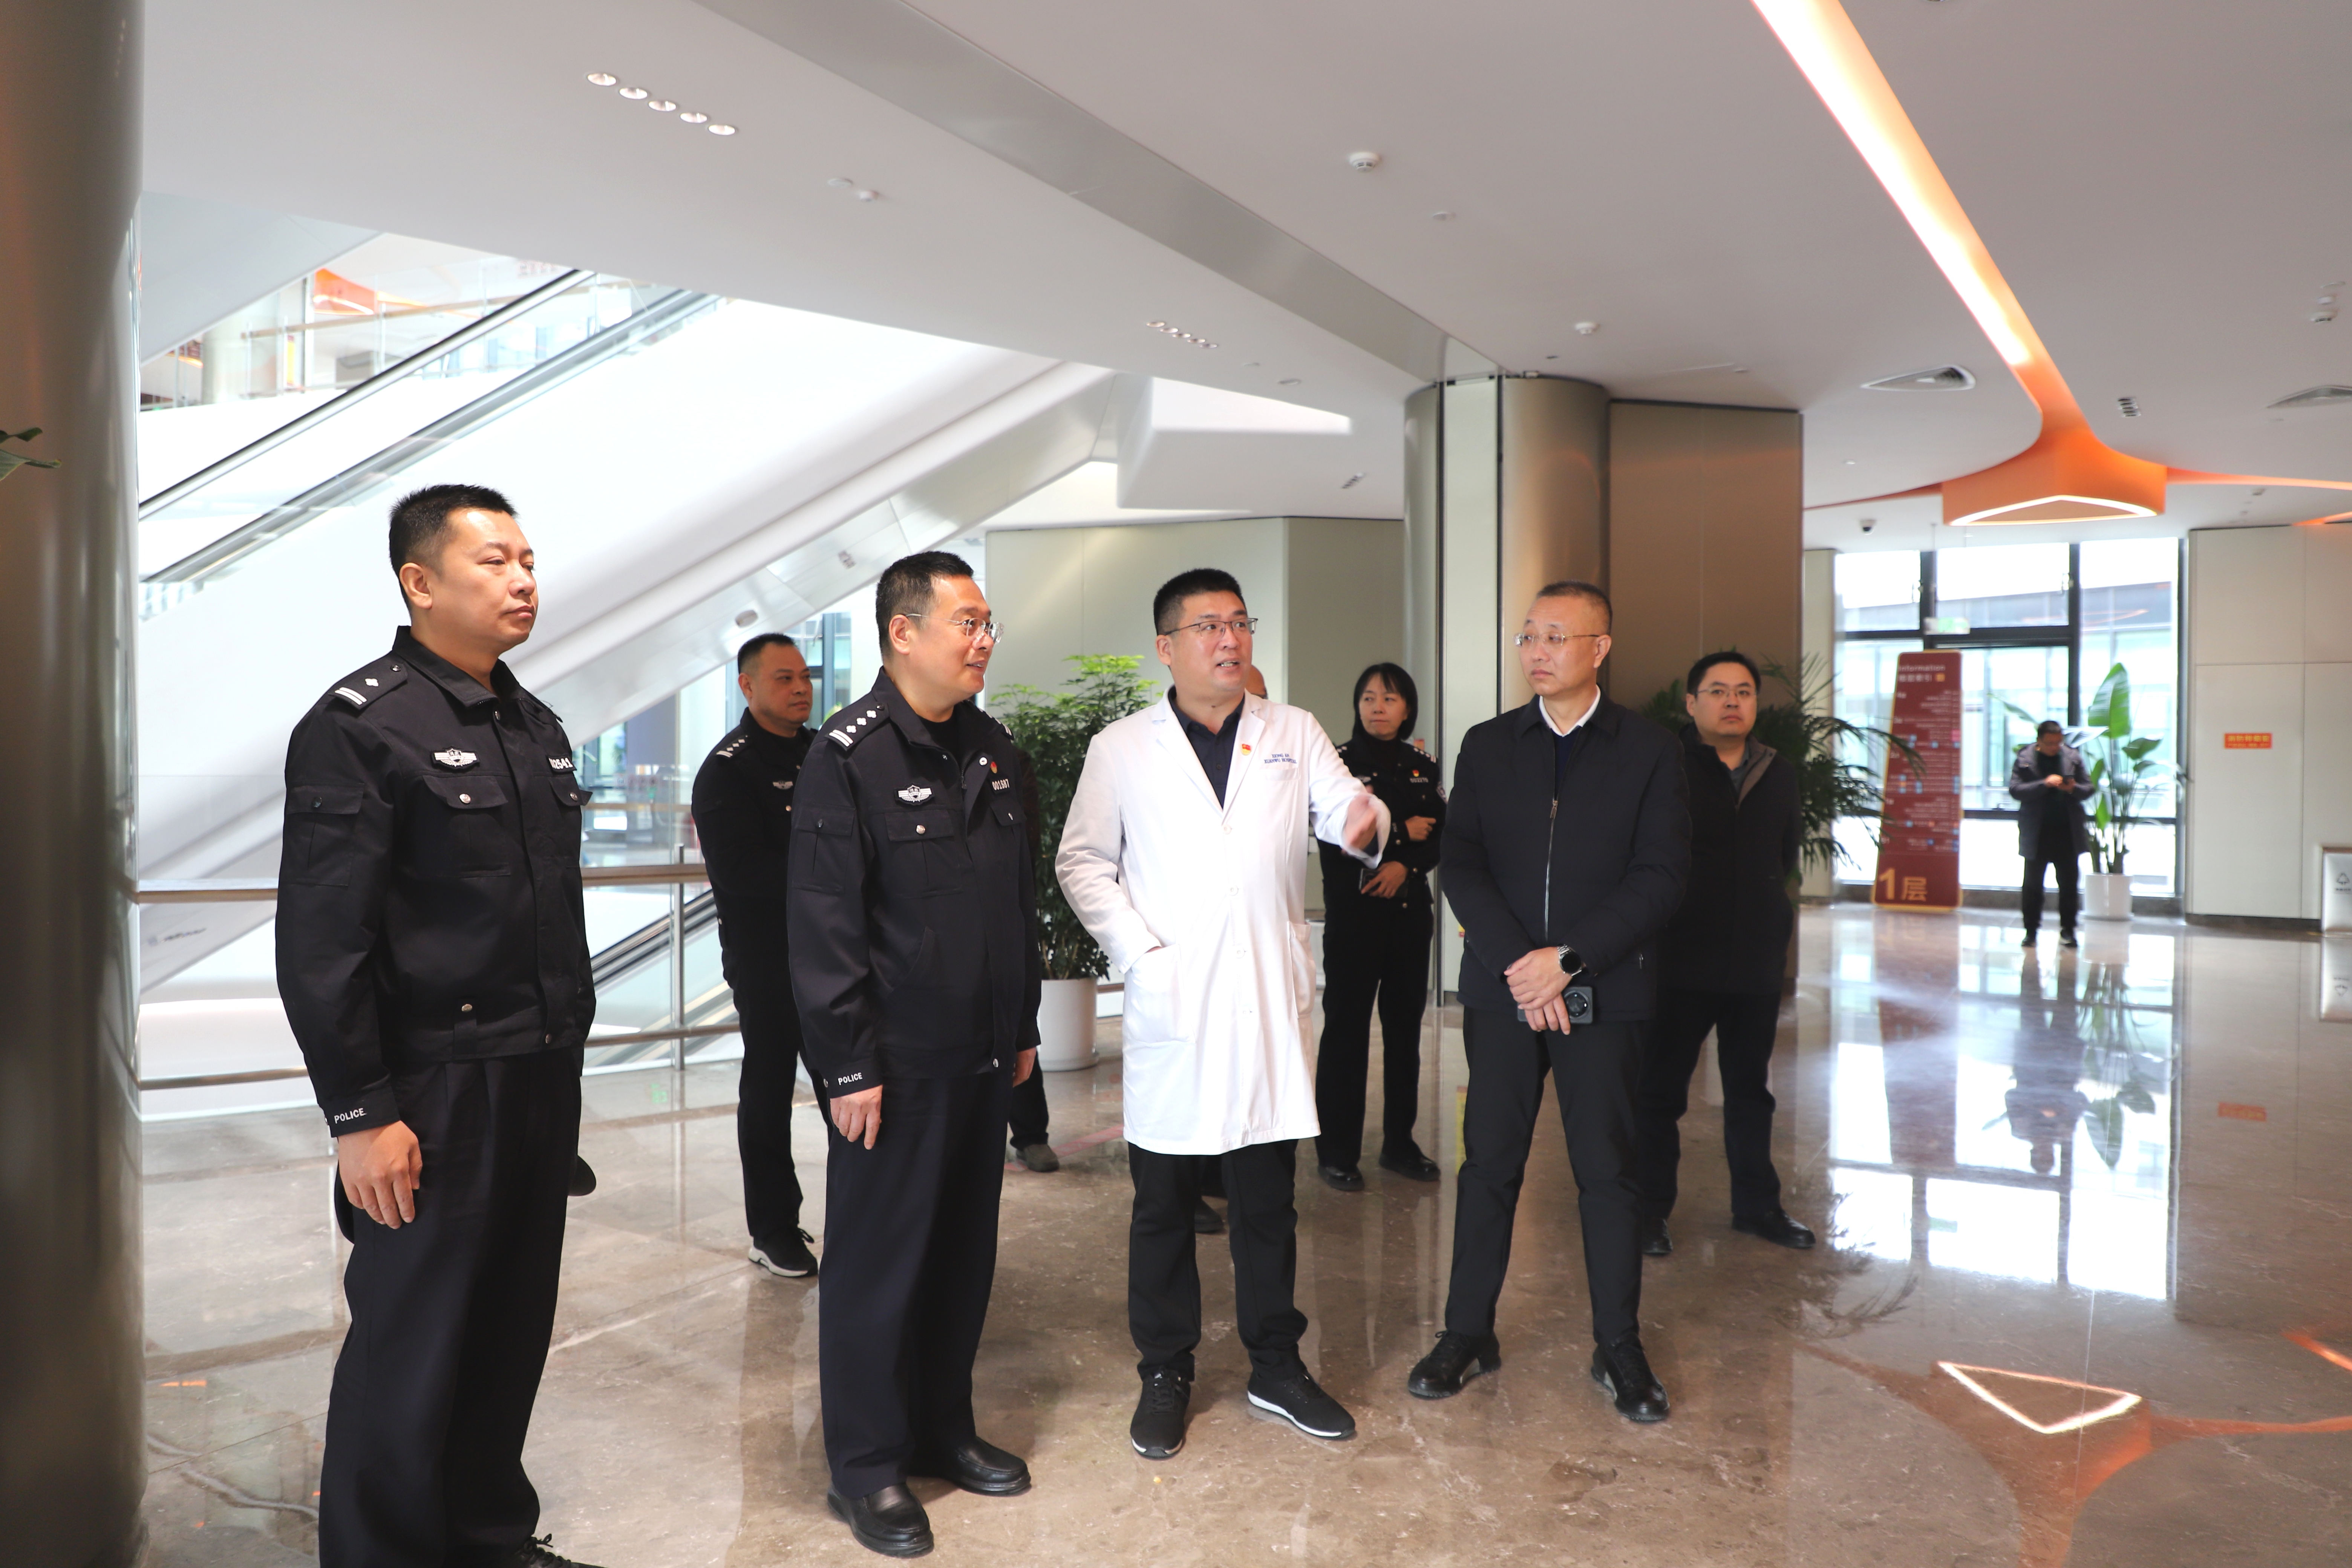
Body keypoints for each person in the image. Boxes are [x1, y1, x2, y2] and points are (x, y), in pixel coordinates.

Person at [277, 484, 604, 1568]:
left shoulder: (533, 726)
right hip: (432, 1088)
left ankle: (486, 1535)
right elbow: (324, 942)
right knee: (410, 1346)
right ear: (419, 583)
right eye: (493, 561)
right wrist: (362, 1114)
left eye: (528, 560)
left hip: (536, 1073)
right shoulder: (359, 728)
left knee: (509, 1329)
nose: (523, 580)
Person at [1058, 568, 1388, 1462]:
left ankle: (1276, 1365)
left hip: (1265, 1000)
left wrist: (1364, 822)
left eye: (1239, 622)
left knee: (1267, 1200)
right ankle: (1166, 1369)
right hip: (1176, 996)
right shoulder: (1121, 747)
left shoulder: (1293, 730)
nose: (1229, 639)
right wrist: (1142, 953)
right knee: (1163, 1202)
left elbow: (1345, 812)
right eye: (1208, 626)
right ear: (1166, 647)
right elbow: (1083, 862)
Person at [787, 551, 1041, 1559]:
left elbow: (1013, 904)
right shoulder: (848, 755)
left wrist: (1020, 1026)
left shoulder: (993, 748)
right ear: (904, 633)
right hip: (893, 1065)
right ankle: (864, 1465)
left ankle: (943, 1428)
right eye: (966, 623)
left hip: (979, 1055)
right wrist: (847, 1066)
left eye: (987, 623)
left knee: (959, 1258)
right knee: (877, 1270)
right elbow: (823, 924)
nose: (984, 640)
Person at [1407, 580, 1688, 1426]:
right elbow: (1462, 863)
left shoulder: (1650, 750)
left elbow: (1662, 875)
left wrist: (1567, 961)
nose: (1537, 651)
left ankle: (1618, 1346)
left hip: (1605, 989)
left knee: (1608, 1172)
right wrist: (1519, 967)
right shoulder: (1489, 743)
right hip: (1505, 995)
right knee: (1488, 1163)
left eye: (1557, 637)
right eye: (1529, 635)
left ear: (1601, 648)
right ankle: (1466, 1332)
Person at [1633, 651, 1812, 1259]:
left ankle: (1757, 1207)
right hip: (1680, 957)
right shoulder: (1665, 769)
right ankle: (1649, 1210)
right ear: (1691, 703)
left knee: (1750, 1090)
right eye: (1717, 691)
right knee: (1660, 1092)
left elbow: (1785, 854)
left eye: (1743, 691)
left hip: (1755, 960)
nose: (1732, 701)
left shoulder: (1778, 771)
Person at [691, 632, 819, 1279]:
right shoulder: (728, 769)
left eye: (804, 677)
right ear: (747, 686)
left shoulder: (826, 752)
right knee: (769, 1090)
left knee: (852, 1082)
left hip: (834, 954)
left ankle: (866, 1212)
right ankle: (772, 1229)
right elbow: (741, 872)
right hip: (767, 959)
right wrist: (830, 877)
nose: (800, 689)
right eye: (782, 679)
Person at [1313, 662, 1445, 1190]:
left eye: (1389, 699)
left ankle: (1400, 1143)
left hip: (1409, 916)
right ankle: (1337, 1152)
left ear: (1407, 708)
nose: (1378, 708)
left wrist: (1403, 866)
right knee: (1346, 1033)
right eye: (1368, 698)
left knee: (1405, 1033)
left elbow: (1442, 834)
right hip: (1356, 916)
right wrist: (1401, 836)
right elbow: (1334, 840)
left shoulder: (1422, 765)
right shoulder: (1338, 764)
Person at [1006, 743, 1060, 1173]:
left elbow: (1026, 835)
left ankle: (1031, 1135)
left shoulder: (1003, 752)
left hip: (1002, 906)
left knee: (1017, 1024)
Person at [2010, 719, 2094, 949]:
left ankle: (2069, 931)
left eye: (2059, 743)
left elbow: (2088, 789)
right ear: (2039, 741)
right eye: (2050, 743)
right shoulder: (2025, 759)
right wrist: (2044, 784)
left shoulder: (2072, 757)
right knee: (2033, 885)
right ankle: (2031, 932)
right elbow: (2016, 790)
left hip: (2067, 831)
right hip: (2037, 832)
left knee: (2069, 885)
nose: (2055, 747)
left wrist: (2072, 788)